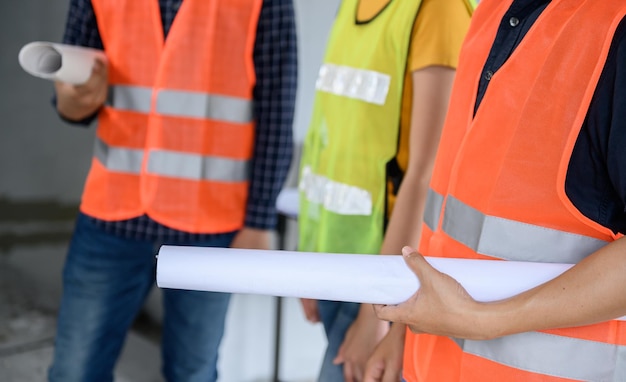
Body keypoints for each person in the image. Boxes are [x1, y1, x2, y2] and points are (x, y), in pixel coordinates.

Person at [372, 0, 626, 381]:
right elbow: (450, 216)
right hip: (429, 365)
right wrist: (403, 334)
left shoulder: (614, 27)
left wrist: (483, 321)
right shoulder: (492, 11)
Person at [47, 1, 297, 381]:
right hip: (112, 214)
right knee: (74, 371)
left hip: (211, 227)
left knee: (193, 373)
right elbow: (72, 88)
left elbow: (276, 107)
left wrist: (259, 220)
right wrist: (70, 101)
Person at [296, 0, 473, 380]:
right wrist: (306, 264)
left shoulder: (438, 11)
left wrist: (374, 312)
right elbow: (327, 150)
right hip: (334, 265)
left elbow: (427, 174)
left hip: (381, 277)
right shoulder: (351, 6)